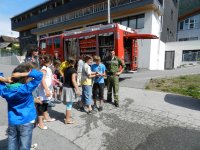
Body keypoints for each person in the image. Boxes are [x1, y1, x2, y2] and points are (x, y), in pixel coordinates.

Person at [0, 64, 43, 150]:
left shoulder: (5, 90)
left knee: (12, 142)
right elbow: (39, 75)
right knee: (25, 145)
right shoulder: (25, 88)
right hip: (27, 120)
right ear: (24, 78)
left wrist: (4, 79)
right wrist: (23, 74)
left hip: (13, 120)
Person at [37, 54, 55, 130]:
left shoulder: (47, 68)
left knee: (45, 104)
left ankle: (46, 117)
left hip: (47, 89)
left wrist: (51, 89)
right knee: (41, 105)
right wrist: (47, 90)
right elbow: (42, 79)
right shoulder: (44, 69)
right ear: (50, 61)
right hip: (43, 90)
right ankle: (40, 123)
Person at [61, 57, 81, 124]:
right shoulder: (73, 70)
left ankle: (67, 117)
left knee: (68, 104)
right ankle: (67, 119)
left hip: (65, 87)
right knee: (69, 105)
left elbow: (64, 79)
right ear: (74, 63)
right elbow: (73, 80)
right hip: (69, 88)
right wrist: (77, 89)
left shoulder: (65, 69)